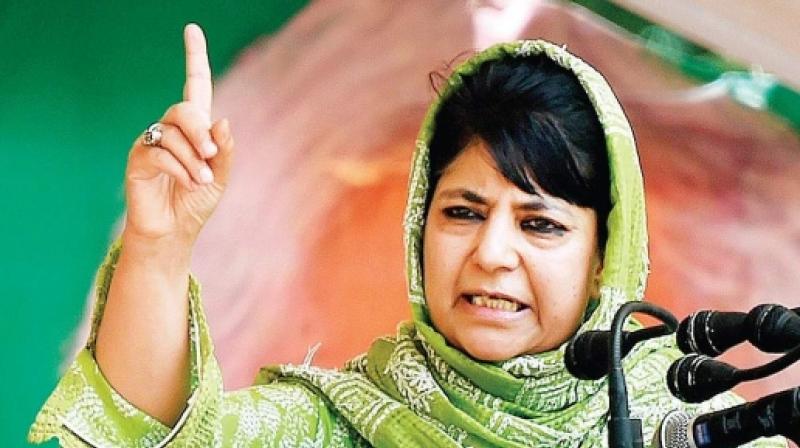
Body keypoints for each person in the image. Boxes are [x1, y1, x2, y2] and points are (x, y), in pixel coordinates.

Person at [29, 25, 786, 447]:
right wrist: (160, 242)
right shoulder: (344, 425)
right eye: (462, 212)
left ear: (602, 260)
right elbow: (156, 434)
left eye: (540, 224)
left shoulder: (684, 425)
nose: (492, 254)